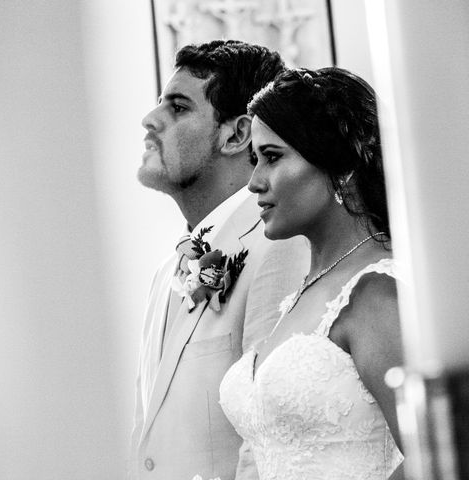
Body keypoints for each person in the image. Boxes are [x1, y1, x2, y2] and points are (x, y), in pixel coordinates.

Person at [130, 40, 310, 480]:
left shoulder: (278, 249)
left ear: (235, 134)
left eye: (177, 107)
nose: (150, 120)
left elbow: (271, 437)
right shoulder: (165, 272)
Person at [219, 67, 405, 479]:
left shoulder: (377, 293)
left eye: (271, 157)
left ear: (340, 166)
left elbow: (438, 450)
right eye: (254, 160)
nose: (253, 182)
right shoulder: (304, 291)